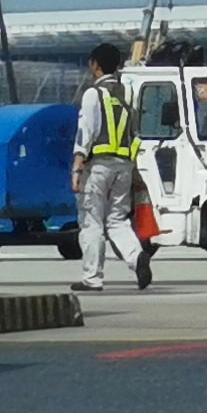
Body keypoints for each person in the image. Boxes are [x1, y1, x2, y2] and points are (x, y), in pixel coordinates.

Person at [71, 43, 148, 292]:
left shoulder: (94, 94)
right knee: (117, 220)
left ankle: (92, 278)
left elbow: (87, 131)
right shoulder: (128, 94)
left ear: (95, 65)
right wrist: (133, 169)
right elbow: (135, 134)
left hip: (98, 167)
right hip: (124, 166)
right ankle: (137, 257)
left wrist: (77, 165)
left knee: (91, 222)